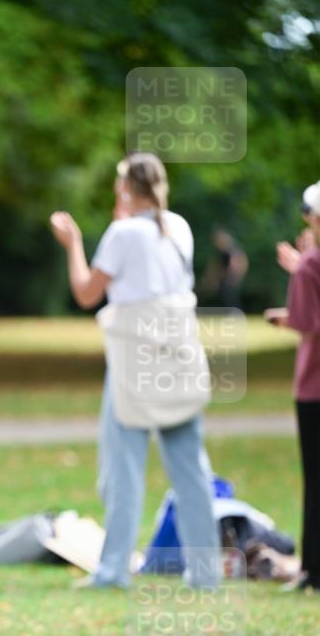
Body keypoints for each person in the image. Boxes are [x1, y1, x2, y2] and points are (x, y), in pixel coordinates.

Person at [50, 152, 220, 589]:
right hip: (177, 359)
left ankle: (113, 570)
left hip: (134, 361)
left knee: (122, 469)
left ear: (126, 189)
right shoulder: (178, 227)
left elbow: (88, 293)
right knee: (190, 469)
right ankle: (205, 572)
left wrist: (73, 245)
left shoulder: (122, 233)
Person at [265, 181, 320, 592]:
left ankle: (313, 569)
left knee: (315, 479)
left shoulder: (309, 265)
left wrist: (281, 317)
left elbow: (305, 324)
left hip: (313, 386)